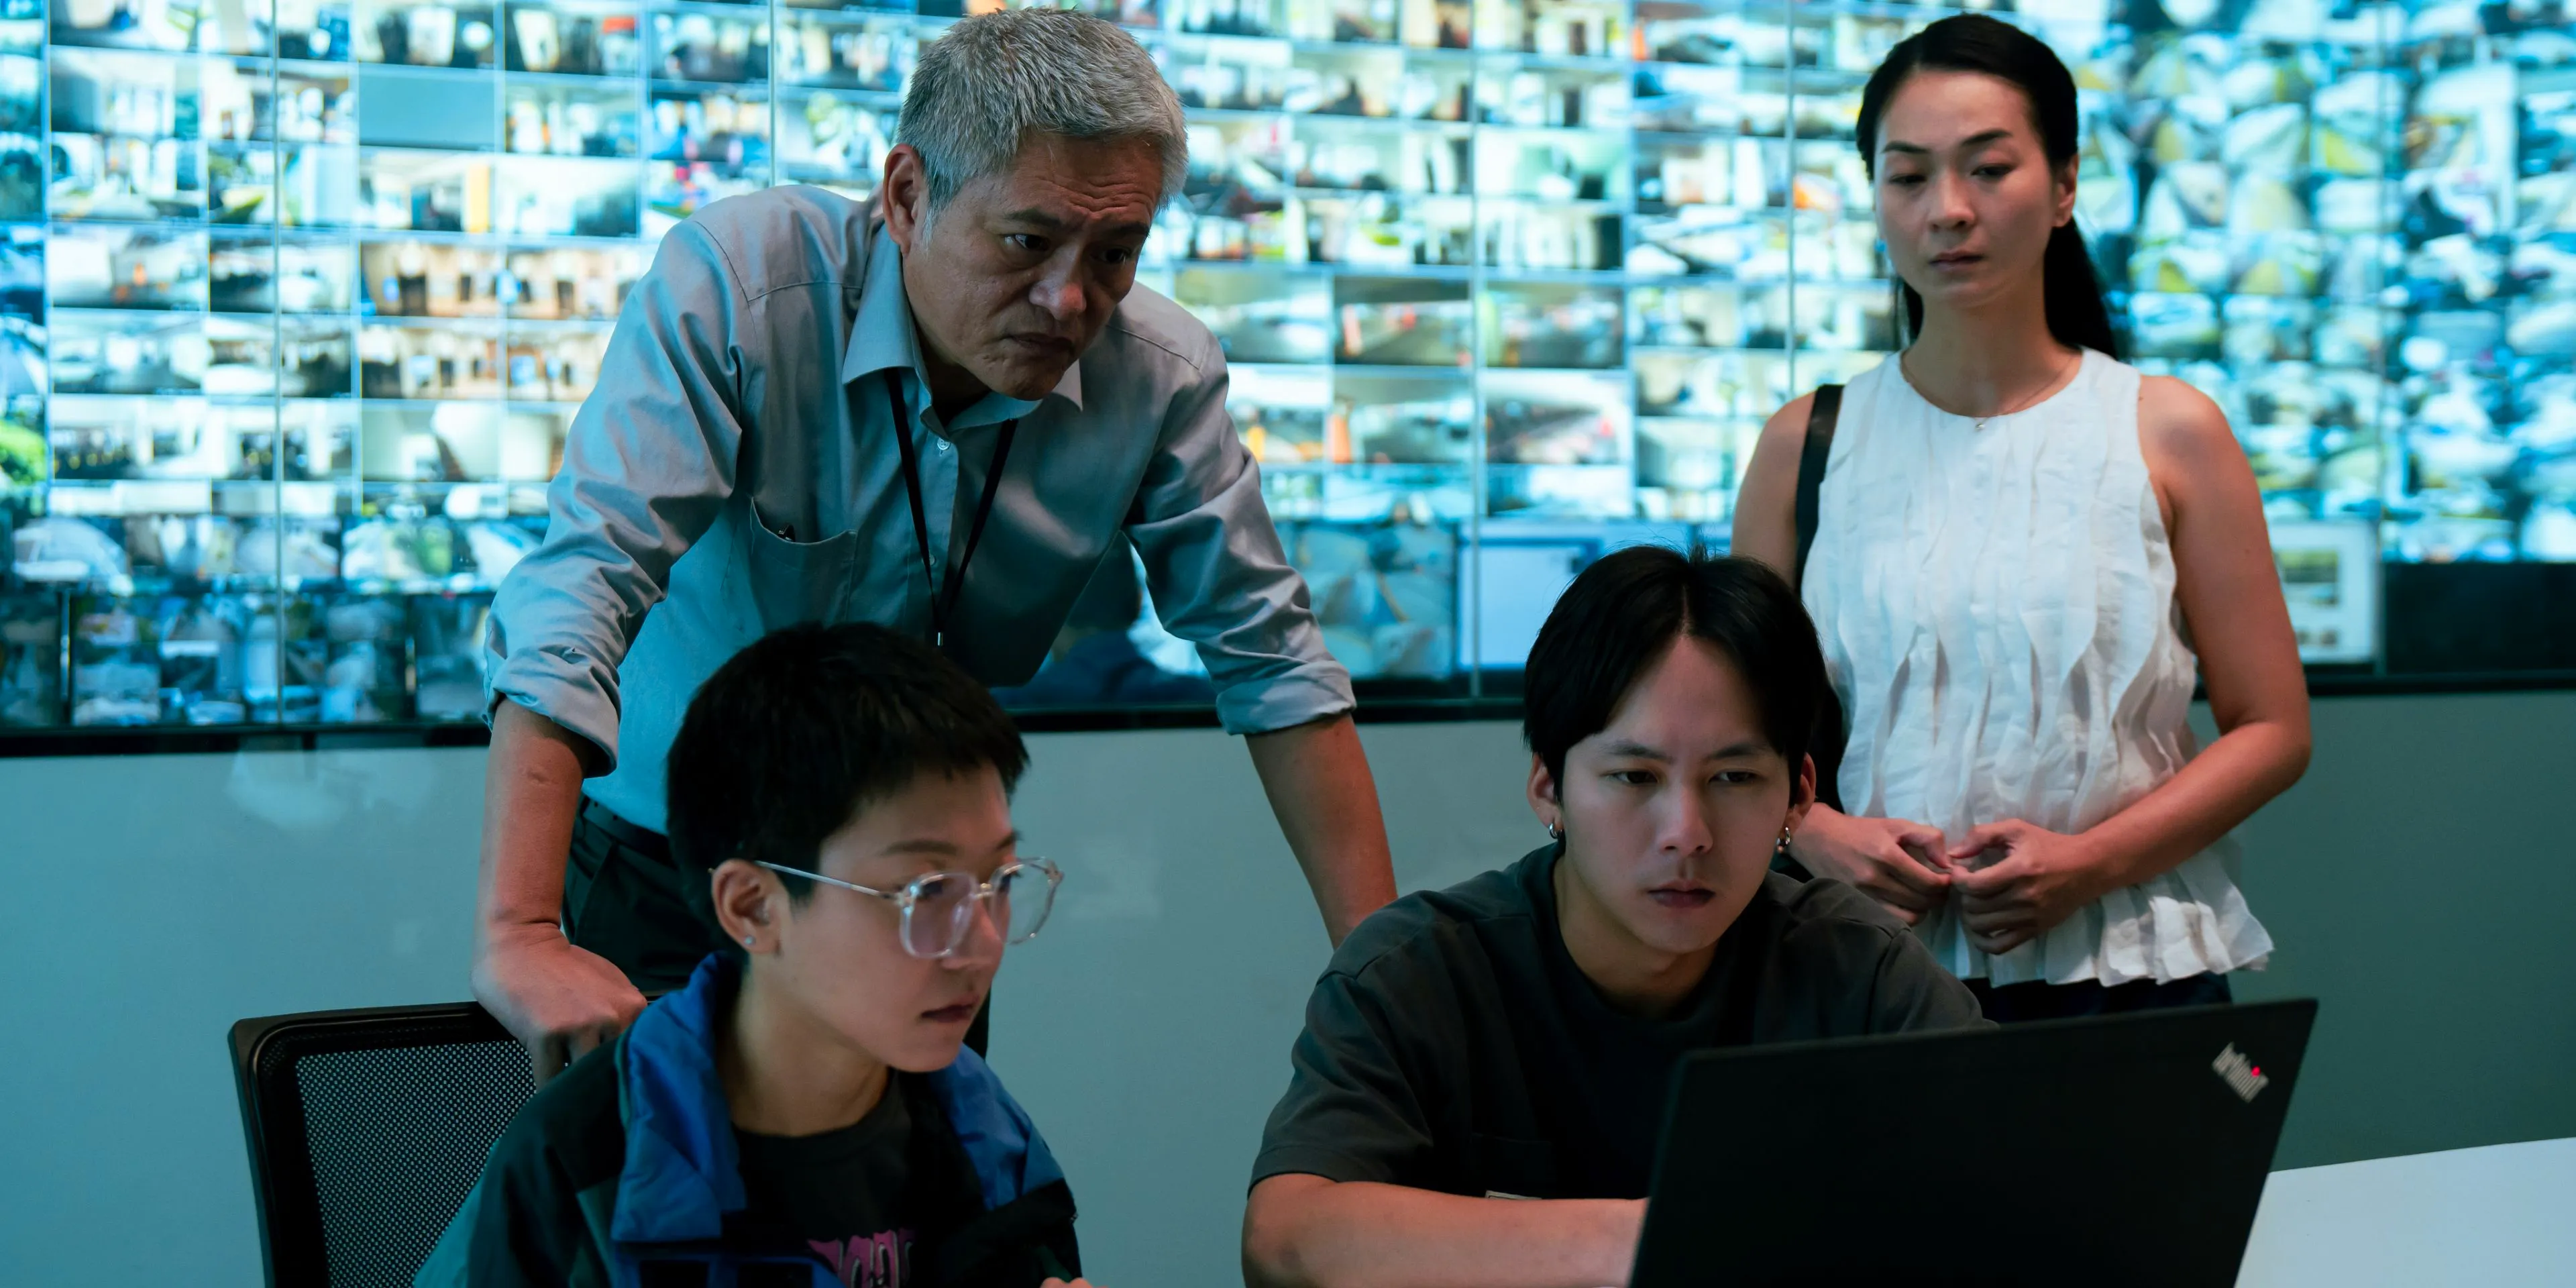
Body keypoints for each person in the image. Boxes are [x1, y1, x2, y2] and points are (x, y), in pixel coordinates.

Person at [474, 7, 1398, 1077]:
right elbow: (585, 580)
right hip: (665, 867)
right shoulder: (743, 286)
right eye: (1027, 242)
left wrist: (1385, 984)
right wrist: (522, 934)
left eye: (1116, 253)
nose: (1070, 300)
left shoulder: (1161, 375)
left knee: (909, 1238)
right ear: (908, 196)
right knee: (635, 1228)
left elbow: (1275, 663)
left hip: (922, 903)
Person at [1732, 15, 2313, 1022]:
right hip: (1860, 969)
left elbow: (2272, 729)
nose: (1947, 211)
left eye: (1988, 169)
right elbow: (1733, 730)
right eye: (1907, 177)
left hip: (2131, 971)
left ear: (2066, 186)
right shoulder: (1805, 443)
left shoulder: (2168, 431)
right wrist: (1810, 830)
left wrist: (2091, 862)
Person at [1240, 548, 1987, 1288]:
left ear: (1798, 797)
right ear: (1549, 789)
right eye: (1634, 776)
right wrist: (1648, 1238)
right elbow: (1287, 1240)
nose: (1686, 831)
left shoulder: (1860, 970)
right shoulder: (1420, 971)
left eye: (1733, 777)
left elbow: (2026, 1186)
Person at [421, 622, 1097, 1288]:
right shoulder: (589, 1162)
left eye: (1000, 882)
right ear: (753, 907)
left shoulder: (982, 1132)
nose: (980, 944)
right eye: (925, 892)